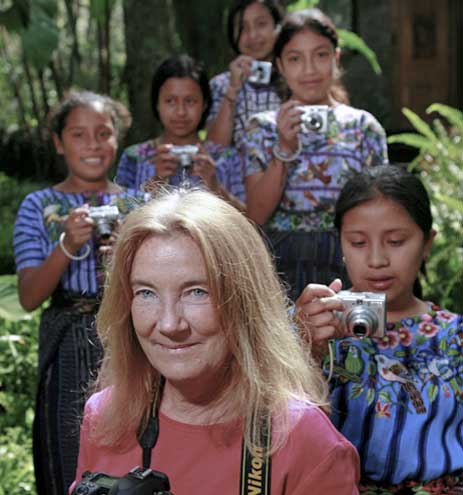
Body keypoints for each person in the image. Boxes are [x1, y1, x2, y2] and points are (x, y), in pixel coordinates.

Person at [50, 188, 365, 495]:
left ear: (243, 301)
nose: (170, 323)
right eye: (146, 293)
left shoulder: (302, 439)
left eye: (196, 291)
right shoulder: (109, 413)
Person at [296, 165, 463, 495]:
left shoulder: (455, 336)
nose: (376, 259)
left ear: (426, 243)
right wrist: (305, 347)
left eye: (395, 240)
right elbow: (288, 421)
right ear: (339, 243)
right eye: (357, 241)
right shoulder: (321, 330)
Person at [13, 91, 146, 495]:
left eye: (104, 133)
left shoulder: (140, 201)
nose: (93, 145)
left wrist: (127, 259)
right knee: (69, 455)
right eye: (79, 134)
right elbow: (27, 295)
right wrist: (67, 246)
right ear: (58, 142)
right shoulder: (39, 206)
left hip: (131, 337)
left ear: (118, 138)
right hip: (70, 336)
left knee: (138, 447)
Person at [243, 9, 388, 300]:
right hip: (280, 258)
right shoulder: (263, 128)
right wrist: (284, 147)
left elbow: (380, 210)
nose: (309, 69)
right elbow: (257, 213)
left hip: (349, 257)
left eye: (320, 55)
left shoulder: (363, 127)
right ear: (280, 66)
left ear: (336, 59)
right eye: (295, 59)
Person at [115, 55, 245, 210]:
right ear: (157, 103)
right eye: (170, 101)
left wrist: (216, 187)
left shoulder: (225, 158)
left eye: (190, 101)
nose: (181, 112)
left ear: (204, 104)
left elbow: (248, 223)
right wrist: (154, 184)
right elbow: (120, 215)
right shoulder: (134, 157)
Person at [206, 0, 284, 148]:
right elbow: (214, 149)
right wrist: (232, 90)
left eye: (261, 24)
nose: (253, 35)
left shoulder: (297, 78)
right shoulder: (220, 84)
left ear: (277, 27)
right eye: (242, 28)